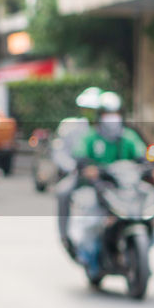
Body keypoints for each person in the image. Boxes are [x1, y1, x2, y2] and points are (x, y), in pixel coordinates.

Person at [68, 92, 153, 271]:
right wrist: (88, 169)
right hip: (100, 186)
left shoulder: (129, 137)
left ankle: (146, 245)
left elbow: (143, 155)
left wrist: (152, 167)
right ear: (101, 116)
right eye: (108, 114)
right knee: (91, 215)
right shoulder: (91, 137)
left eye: (115, 114)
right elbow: (80, 155)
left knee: (148, 200)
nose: (112, 119)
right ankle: (88, 254)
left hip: (125, 187)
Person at [55, 87, 102, 250]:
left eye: (95, 109)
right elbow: (60, 153)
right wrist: (74, 168)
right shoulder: (71, 128)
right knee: (63, 191)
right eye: (88, 109)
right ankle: (64, 235)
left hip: (106, 176)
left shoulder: (110, 129)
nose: (91, 112)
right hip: (80, 175)